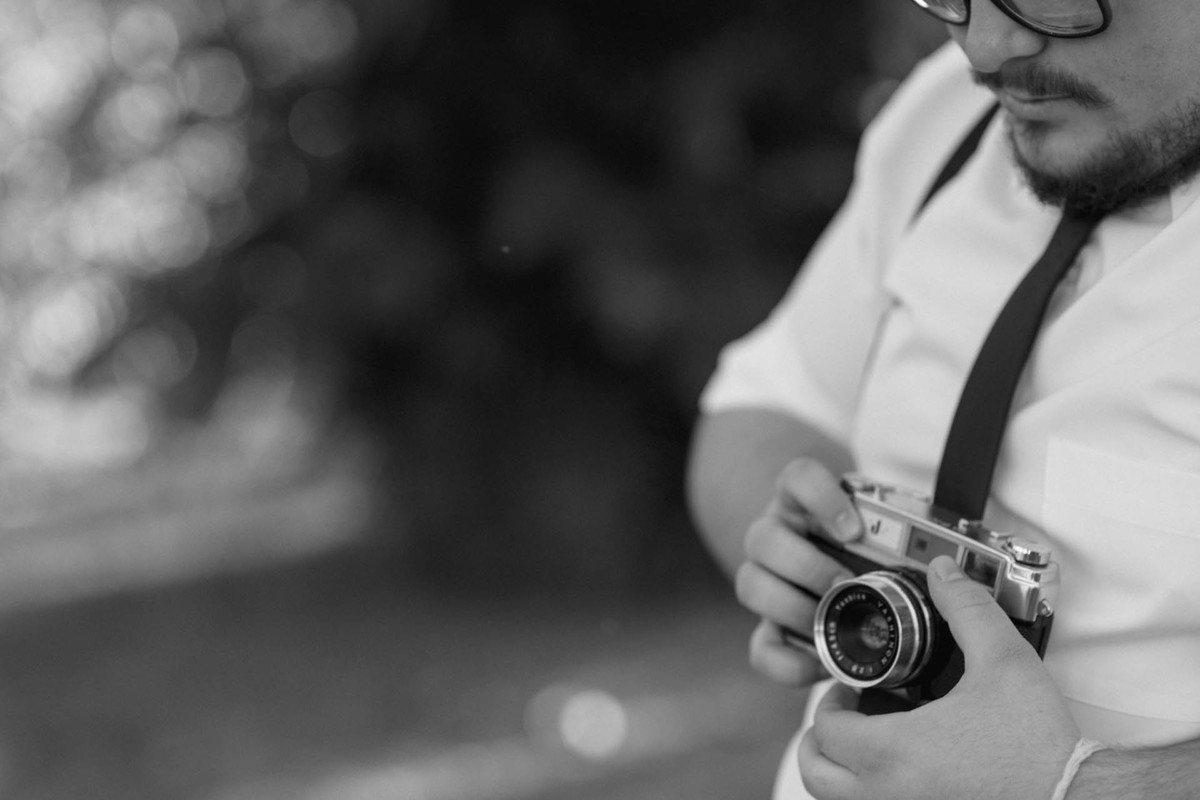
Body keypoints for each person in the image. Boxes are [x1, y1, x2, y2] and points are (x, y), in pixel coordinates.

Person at [686, 1, 1200, 798]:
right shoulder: (953, 119)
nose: (986, 47)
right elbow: (768, 405)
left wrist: (1075, 788)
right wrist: (805, 558)